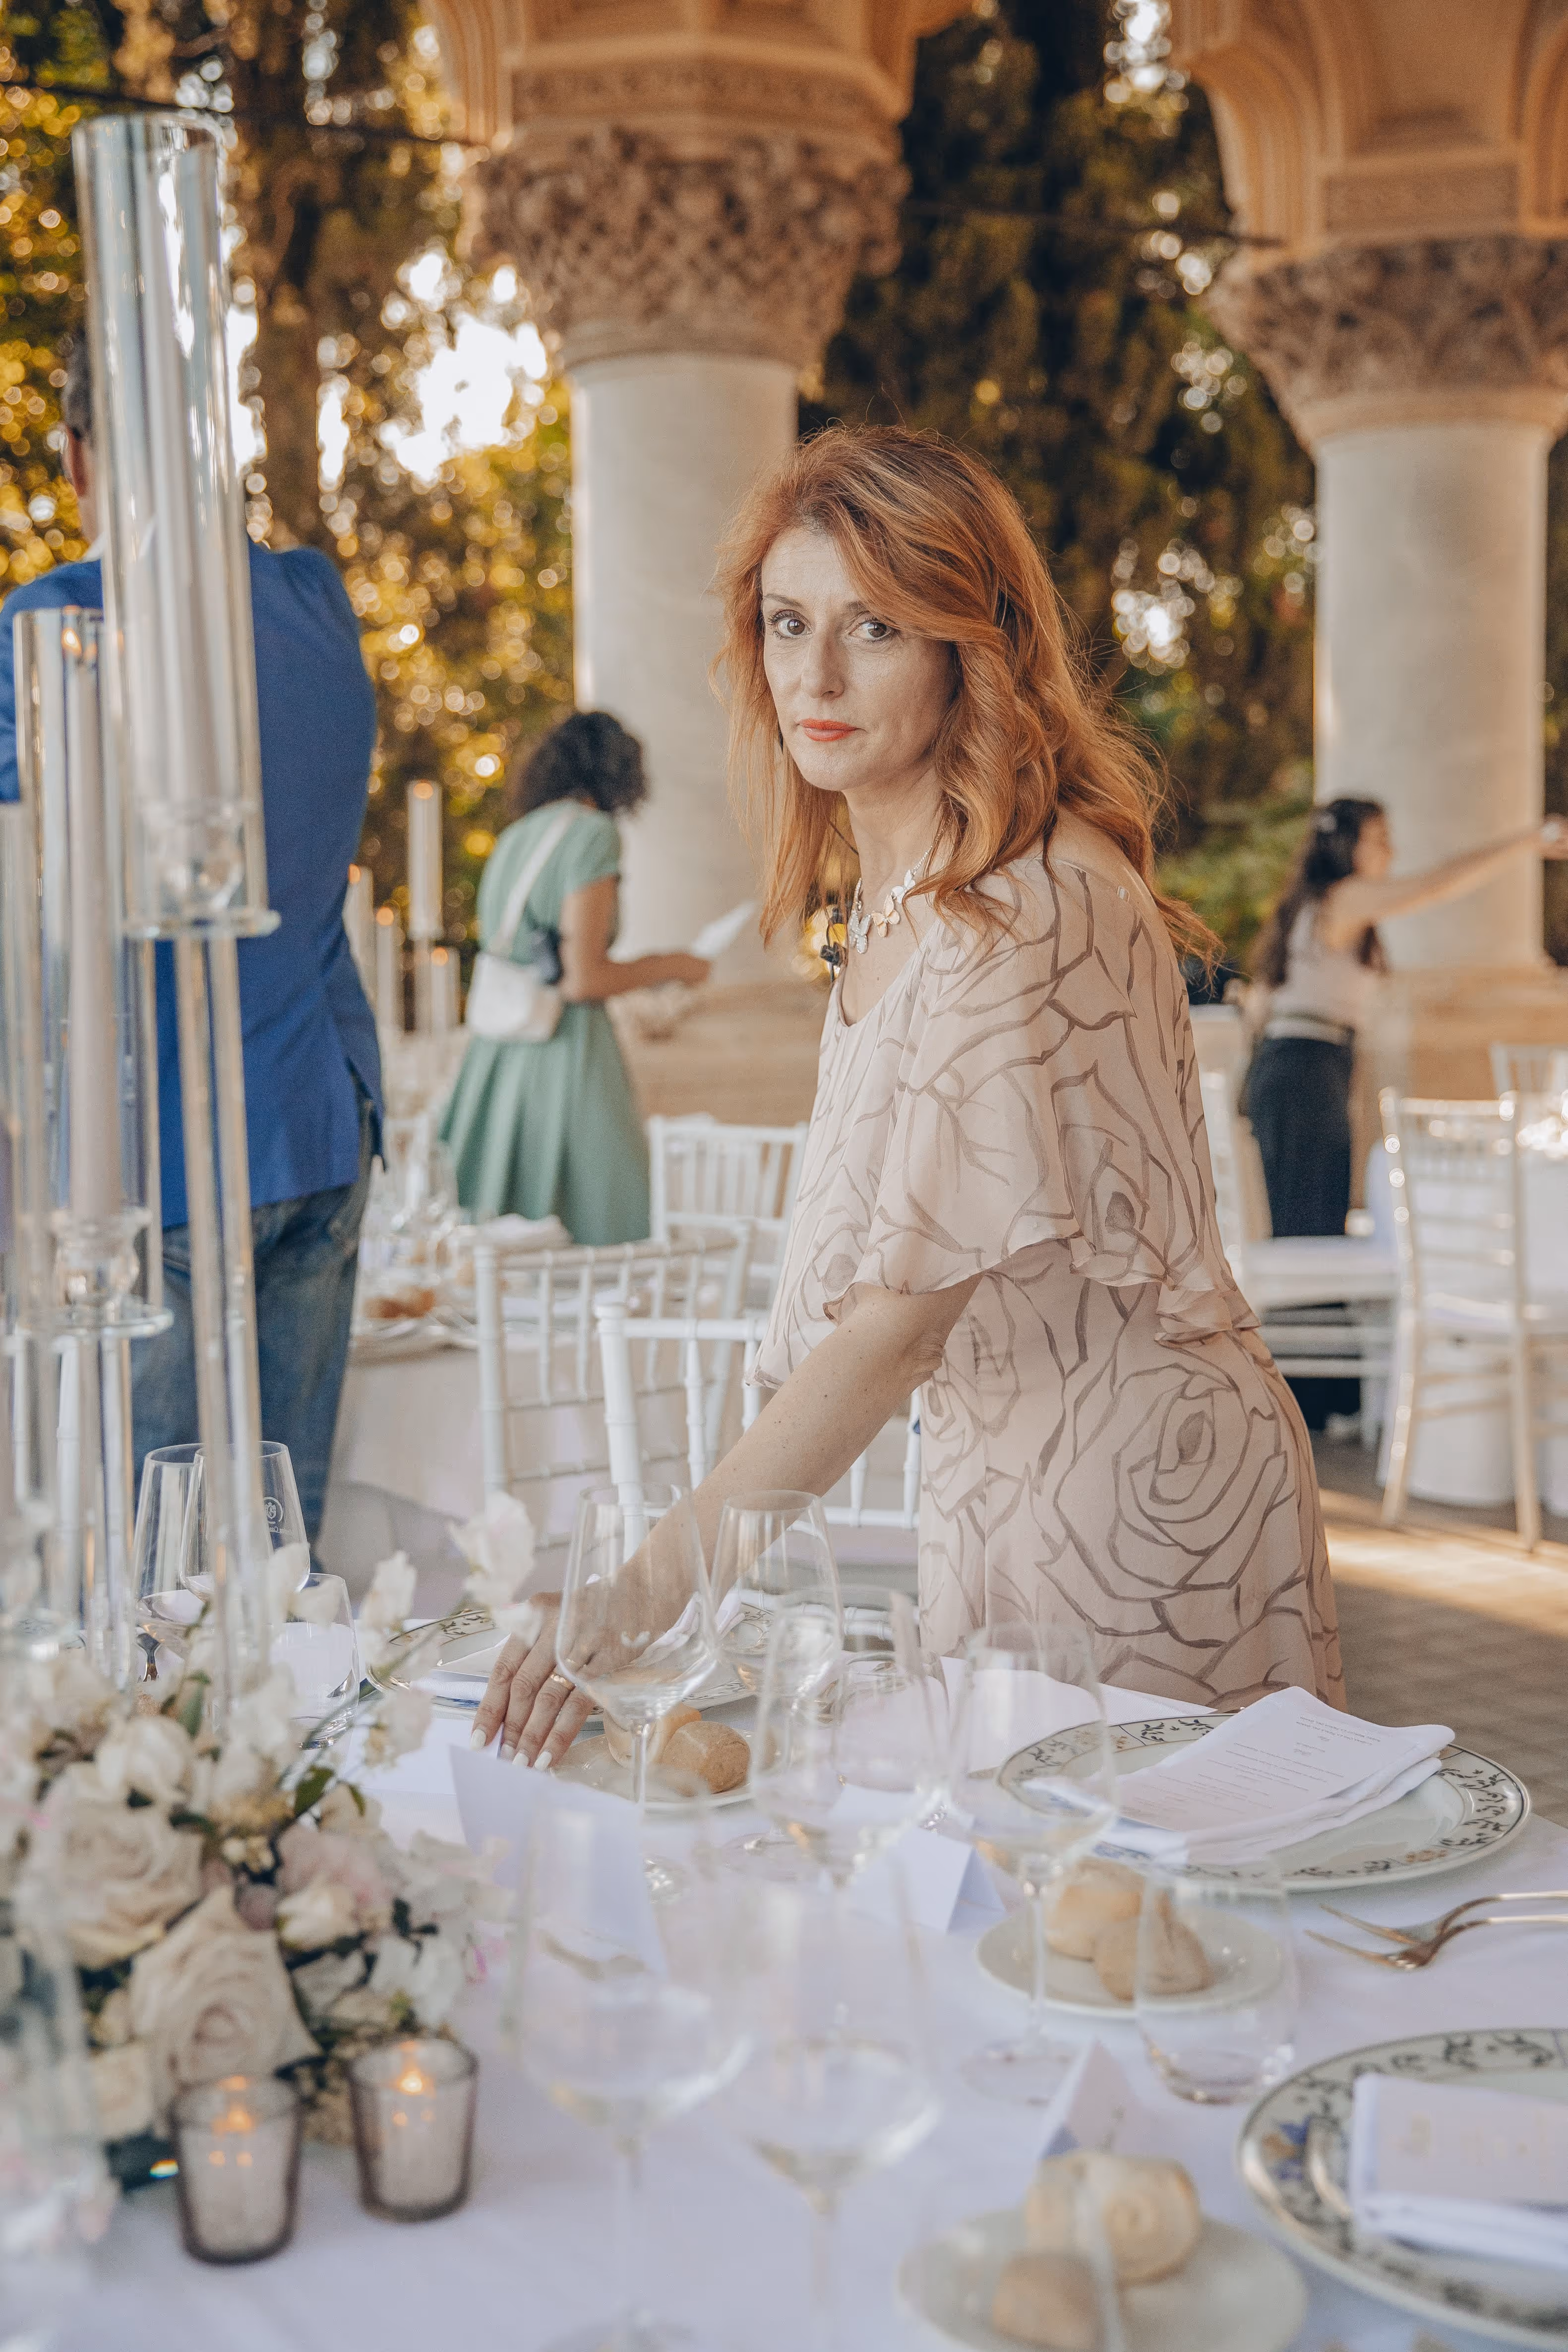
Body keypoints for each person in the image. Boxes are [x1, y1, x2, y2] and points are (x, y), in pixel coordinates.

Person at [474, 425, 1342, 1770]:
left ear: (968, 641)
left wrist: (639, 1595)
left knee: (1132, 1939)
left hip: (1134, 1502)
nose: (814, 674)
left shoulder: (1020, 904)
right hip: (999, 1481)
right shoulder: (901, 888)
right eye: (786, 622)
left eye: (874, 626)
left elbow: (893, 1328)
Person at [0, 336, 382, 1543]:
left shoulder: (60, 625)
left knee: (150, 1595)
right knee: (278, 1565)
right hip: (321, 1121)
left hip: (148, 1151)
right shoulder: (316, 599)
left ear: (76, 456)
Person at [439, 710, 709, 1243]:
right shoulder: (592, 834)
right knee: (599, 1227)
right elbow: (583, 979)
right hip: (565, 1048)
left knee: (500, 1243)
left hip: (497, 1053)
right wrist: (677, 966)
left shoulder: (517, 836)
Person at [1248, 797, 1568, 1239]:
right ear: (1347, 847)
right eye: (1380, 840)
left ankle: (1310, 1308)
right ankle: (1312, 1311)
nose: (1391, 852)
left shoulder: (1309, 904)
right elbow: (1435, 885)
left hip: (1300, 1064)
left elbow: (1260, 1003)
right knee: (1310, 1219)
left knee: (1309, 1213)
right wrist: (1525, 842)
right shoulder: (1346, 895)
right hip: (1307, 1067)